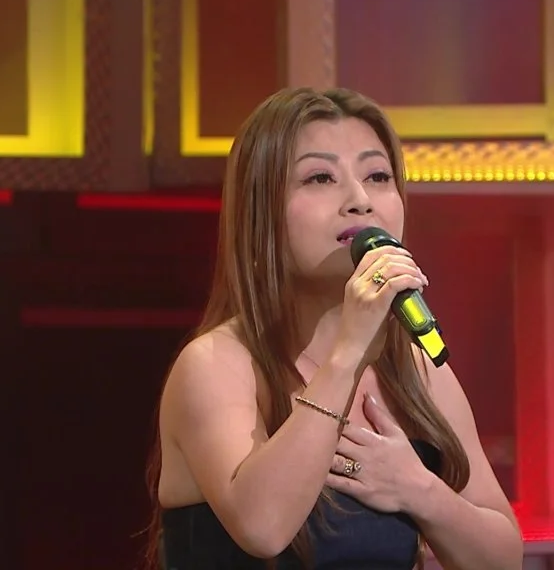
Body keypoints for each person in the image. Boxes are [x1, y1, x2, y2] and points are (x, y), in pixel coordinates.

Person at [142, 87, 523, 569]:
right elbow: (262, 528)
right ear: (261, 214)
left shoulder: (417, 370)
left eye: (378, 176)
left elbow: (503, 559)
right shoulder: (216, 364)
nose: (360, 200)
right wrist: (348, 353)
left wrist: (418, 489)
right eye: (320, 178)